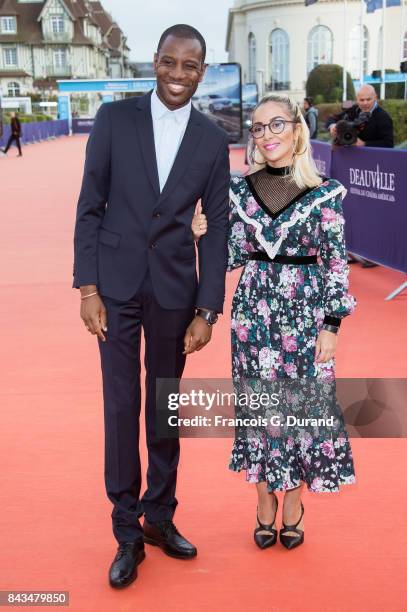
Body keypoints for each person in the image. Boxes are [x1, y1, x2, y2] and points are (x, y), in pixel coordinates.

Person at [73, 24, 230, 588]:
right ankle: (126, 532)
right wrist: (87, 289)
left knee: (164, 408)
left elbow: (218, 231)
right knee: (122, 407)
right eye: (169, 62)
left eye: (190, 66)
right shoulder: (116, 120)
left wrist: (207, 309)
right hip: (114, 289)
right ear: (154, 62)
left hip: (173, 292)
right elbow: (90, 206)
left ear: (202, 72)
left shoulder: (213, 140)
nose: (178, 75)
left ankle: (160, 517)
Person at [192, 94, 356, 551]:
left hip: (305, 315)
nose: (267, 135)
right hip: (254, 315)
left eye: (277, 124)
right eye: (258, 128)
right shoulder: (237, 190)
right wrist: (202, 233)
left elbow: (336, 262)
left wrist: (332, 324)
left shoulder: (324, 193)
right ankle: (265, 498)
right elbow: (231, 256)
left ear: (298, 130)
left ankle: (295, 501)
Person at [326, 84, 394, 148]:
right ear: (357, 99)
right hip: (349, 156)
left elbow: (389, 144)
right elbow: (332, 118)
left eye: (368, 99)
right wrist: (332, 126)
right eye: (362, 100)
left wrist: (364, 144)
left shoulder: (384, 117)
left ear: (375, 98)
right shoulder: (352, 109)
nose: (365, 103)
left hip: (373, 159)